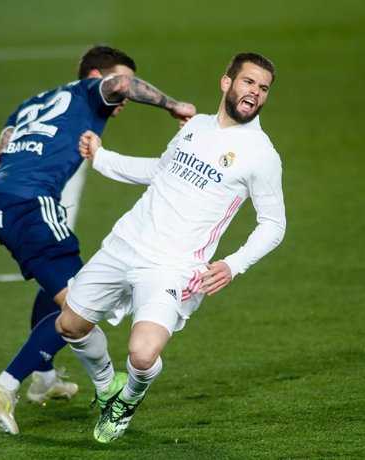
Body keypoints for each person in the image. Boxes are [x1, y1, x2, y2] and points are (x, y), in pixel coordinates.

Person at [0, 45, 196, 435]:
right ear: (96, 77)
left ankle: (44, 376)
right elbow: (121, 81)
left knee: (61, 287)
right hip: (32, 204)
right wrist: (174, 106)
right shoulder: (89, 91)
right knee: (80, 307)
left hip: (0, 207)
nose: (122, 99)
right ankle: (7, 384)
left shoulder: (28, 106)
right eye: (117, 91)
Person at [55, 52, 286, 443]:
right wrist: (103, 159)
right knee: (70, 325)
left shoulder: (262, 155)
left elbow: (274, 224)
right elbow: (159, 171)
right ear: (226, 82)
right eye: (249, 82)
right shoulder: (195, 126)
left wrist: (234, 264)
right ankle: (108, 385)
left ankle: (128, 400)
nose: (255, 92)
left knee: (142, 355)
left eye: (263, 88)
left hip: (173, 266)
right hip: (126, 242)